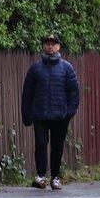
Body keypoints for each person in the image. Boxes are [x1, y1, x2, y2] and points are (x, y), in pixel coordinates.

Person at [20, 33, 80, 189]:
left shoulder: (67, 68)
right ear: (43, 46)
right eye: (47, 43)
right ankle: (40, 176)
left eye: (53, 44)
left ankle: (55, 177)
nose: (50, 46)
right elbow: (27, 93)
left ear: (59, 47)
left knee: (57, 146)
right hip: (40, 115)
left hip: (60, 116)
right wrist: (26, 115)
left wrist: (70, 112)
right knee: (41, 144)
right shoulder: (35, 69)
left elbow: (74, 93)